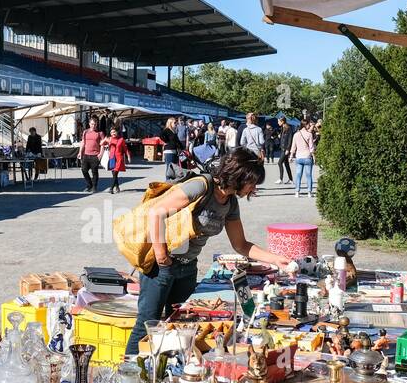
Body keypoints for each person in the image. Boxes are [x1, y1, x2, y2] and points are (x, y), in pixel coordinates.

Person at [124, 147, 296, 355]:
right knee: (147, 324)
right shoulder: (201, 186)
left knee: (182, 326)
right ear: (240, 176)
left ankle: (166, 374)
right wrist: (161, 257)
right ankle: (129, 373)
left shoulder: (230, 203)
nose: (254, 189)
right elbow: (156, 212)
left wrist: (276, 259)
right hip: (161, 268)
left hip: (188, 268)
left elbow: (241, 245)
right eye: (252, 183)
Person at [290, 116, 317, 197]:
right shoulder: (309, 135)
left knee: (298, 175)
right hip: (307, 157)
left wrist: (291, 156)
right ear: (305, 125)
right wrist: (314, 157)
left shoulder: (296, 134)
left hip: (298, 157)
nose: (309, 126)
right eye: (308, 124)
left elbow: (293, 146)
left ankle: (297, 192)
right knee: (308, 175)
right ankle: (309, 192)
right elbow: (311, 147)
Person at [79, 117, 103, 192]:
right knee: (84, 170)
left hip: (95, 155)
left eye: (95, 124)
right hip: (86, 154)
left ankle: (94, 187)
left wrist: (101, 154)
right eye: (92, 124)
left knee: (94, 171)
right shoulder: (85, 132)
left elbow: (103, 144)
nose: (93, 126)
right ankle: (89, 185)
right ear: (89, 124)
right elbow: (83, 142)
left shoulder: (100, 133)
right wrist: (80, 152)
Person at [103, 125, 130, 193]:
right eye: (111, 132)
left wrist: (128, 156)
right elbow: (101, 144)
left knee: (115, 173)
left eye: (114, 132)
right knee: (114, 174)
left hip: (119, 159)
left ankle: (111, 188)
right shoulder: (110, 139)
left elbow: (125, 149)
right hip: (112, 158)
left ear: (117, 132)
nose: (113, 133)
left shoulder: (121, 140)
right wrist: (105, 140)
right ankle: (117, 187)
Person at [160, 117, 181, 181]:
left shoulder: (173, 131)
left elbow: (177, 141)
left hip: (174, 151)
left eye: (176, 123)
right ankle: (168, 180)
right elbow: (161, 135)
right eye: (174, 123)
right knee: (169, 166)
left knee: (174, 166)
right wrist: (166, 142)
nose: (176, 124)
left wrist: (182, 148)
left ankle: (172, 179)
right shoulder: (167, 130)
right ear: (170, 123)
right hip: (169, 151)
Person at [277, 119, 294, 184]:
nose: (278, 123)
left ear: (282, 121)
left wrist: (288, 149)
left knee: (279, 163)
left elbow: (290, 139)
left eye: (278, 121)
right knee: (286, 164)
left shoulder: (288, 128)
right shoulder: (282, 128)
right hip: (282, 148)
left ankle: (280, 179)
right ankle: (291, 179)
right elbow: (283, 138)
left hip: (285, 149)